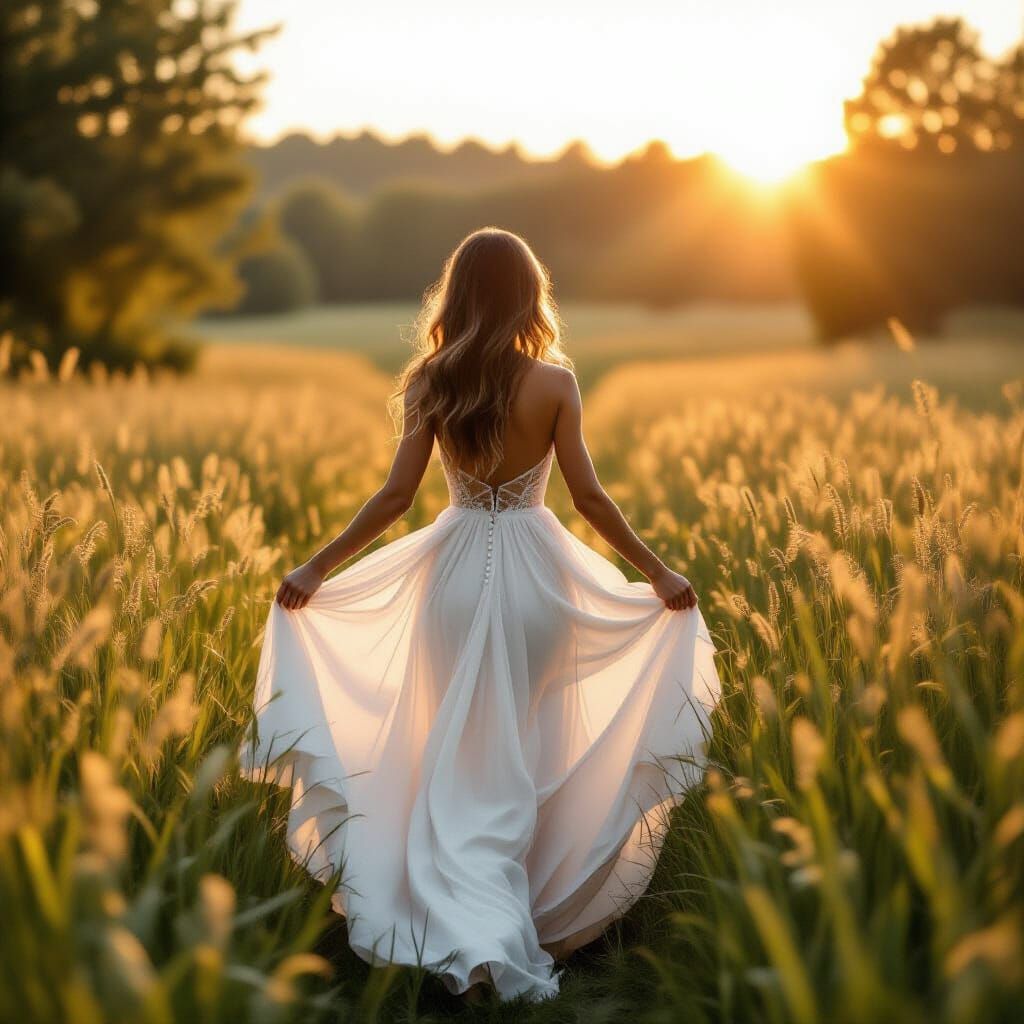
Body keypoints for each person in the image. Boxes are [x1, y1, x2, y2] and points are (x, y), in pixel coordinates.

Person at [244, 227, 720, 1002]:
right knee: (520, 755)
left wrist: (316, 567)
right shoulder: (555, 384)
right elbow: (590, 499)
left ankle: (458, 927)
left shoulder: (431, 379)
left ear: (456, 293)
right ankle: (507, 928)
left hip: (454, 576)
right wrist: (658, 572)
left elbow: (396, 496)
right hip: (540, 580)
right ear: (530, 293)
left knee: (455, 756)